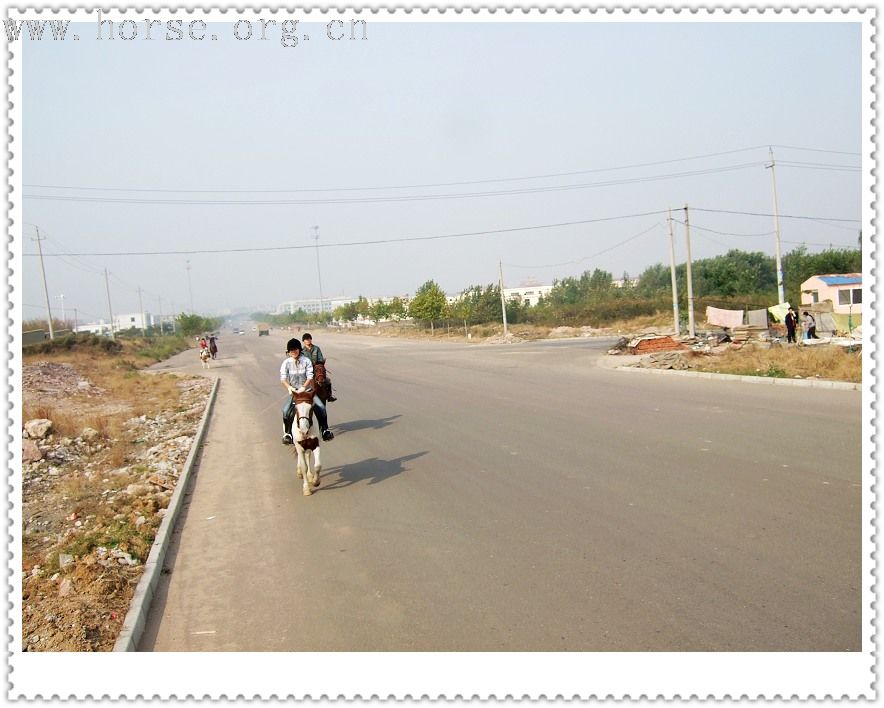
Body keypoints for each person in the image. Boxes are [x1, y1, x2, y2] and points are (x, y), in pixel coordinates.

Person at [279, 338, 332, 445]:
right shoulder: (286, 363)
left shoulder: (306, 361)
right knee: (285, 411)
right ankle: (288, 434)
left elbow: (310, 376)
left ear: (299, 349)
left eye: (295, 350)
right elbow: (283, 378)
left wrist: (304, 387)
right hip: (295, 393)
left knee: (321, 407)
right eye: (291, 350)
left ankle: (325, 430)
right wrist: (289, 388)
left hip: (307, 391)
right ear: (288, 352)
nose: (293, 352)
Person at [301, 333, 335, 440]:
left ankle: (329, 395)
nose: (308, 341)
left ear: (311, 339)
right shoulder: (302, 351)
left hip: (317, 369)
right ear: (304, 341)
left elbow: (320, 358)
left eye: (309, 339)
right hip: (308, 371)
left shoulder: (316, 348)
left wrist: (318, 365)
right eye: (306, 339)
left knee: (327, 381)